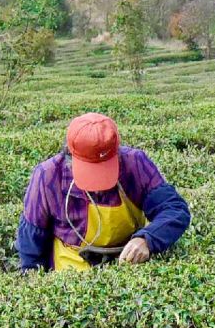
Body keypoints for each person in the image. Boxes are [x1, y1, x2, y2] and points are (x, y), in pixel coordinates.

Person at [17, 112, 191, 270]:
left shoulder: (135, 163)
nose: (99, 186)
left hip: (130, 262)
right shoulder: (47, 176)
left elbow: (175, 210)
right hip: (71, 269)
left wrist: (147, 239)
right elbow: (31, 242)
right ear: (69, 155)